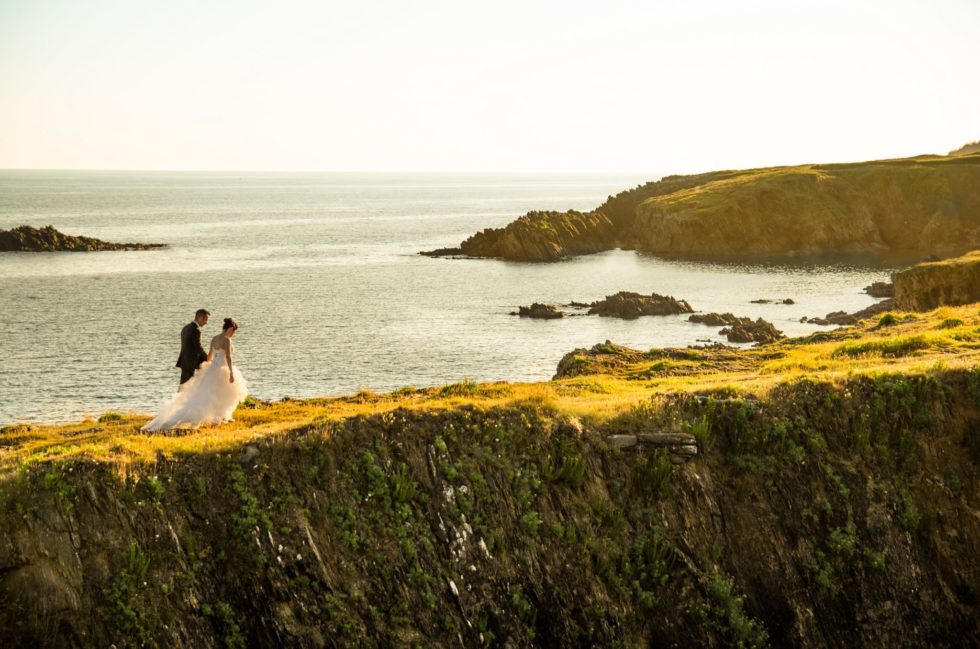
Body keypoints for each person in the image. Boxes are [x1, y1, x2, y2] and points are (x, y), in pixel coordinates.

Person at [143, 318, 248, 432]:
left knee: (211, 394)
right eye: (234, 332)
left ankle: (219, 417)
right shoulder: (226, 340)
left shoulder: (214, 339)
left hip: (213, 367)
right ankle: (219, 416)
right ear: (231, 329)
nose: (233, 334)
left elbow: (209, 357)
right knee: (224, 394)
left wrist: (210, 367)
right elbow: (228, 357)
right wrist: (231, 373)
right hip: (223, 368)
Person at [176, 309, 210, 387]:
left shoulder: (185, 328)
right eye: (206, 320)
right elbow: (198, 348)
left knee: (183, 386)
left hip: (184, 362)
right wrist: (208, 358)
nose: (206, 323)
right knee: (188, 388)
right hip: (192, 364)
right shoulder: (196, 330)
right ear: (200, 318)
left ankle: (178, 399)